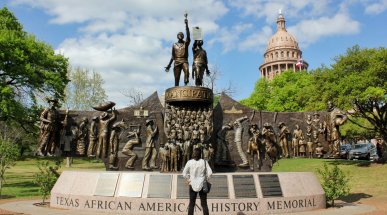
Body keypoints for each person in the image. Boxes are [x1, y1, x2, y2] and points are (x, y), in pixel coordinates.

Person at [182, 148, 212, 215]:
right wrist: (206, 178)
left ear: (193, 153)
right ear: (200, 154)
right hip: (202, 184)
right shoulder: (204, 162)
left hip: (192, 184)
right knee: (204, 204)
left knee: (191, 204)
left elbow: (184, 173)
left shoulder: (189, 162)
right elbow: (210, 172)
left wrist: (189, 179)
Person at [165, 14, 191, 86]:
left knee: (187, 71)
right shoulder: (174, 45)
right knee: (177, 78)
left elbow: (188, 36)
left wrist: (186, 25)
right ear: (177, 36)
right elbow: (172, 56)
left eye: (182, 34)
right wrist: (169, 65)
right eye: (179, 34)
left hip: (184, 60)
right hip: (176, 62)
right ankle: (176, 89)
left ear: (183, 36)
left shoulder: (186, 43)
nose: (180, 35)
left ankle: (186, 84)